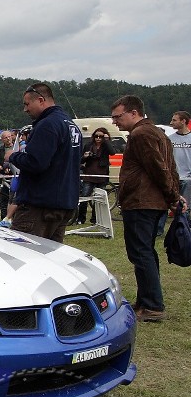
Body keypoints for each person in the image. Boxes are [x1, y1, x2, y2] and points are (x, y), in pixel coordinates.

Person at [112, 95, 182, 322]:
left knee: (141, 253)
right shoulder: (158, 133)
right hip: (152, 202)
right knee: (146, 252)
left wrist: (172, 195)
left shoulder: (141, 134)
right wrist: (173, 194)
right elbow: (170, 168)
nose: (114, 122)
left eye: (118, 117)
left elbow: (159, 168)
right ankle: (146, 301)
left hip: (142, 202)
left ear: (133, 113)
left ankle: (152, 305)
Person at [4, 83, 82, 242]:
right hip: (64, 203)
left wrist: (13, 156)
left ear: (40, 100)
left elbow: (36, 163)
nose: (25, 109)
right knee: (50, 254)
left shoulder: (47, 125)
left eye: (27, 104)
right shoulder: (70, 124)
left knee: (21, 253)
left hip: (40, 205)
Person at [76, 128, 114, 224]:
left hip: (102, 175)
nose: (98, 138)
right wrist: (85, 156)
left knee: (99, 199)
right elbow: (81, 160)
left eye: (101, 136)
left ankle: (95, 219)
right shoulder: (88, 145)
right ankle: (81, 219)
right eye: (96, 136)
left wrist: (107, 140)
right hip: (89, 174)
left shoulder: (106, 146)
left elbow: (112, 152)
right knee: (84, 197)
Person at [170, 111, 191, 203]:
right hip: (174, 178)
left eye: (174, 120)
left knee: (186, 206)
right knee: (174, 205)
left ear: (183, 121)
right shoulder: (169, 139)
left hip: (188, 179)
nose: (171, 122)